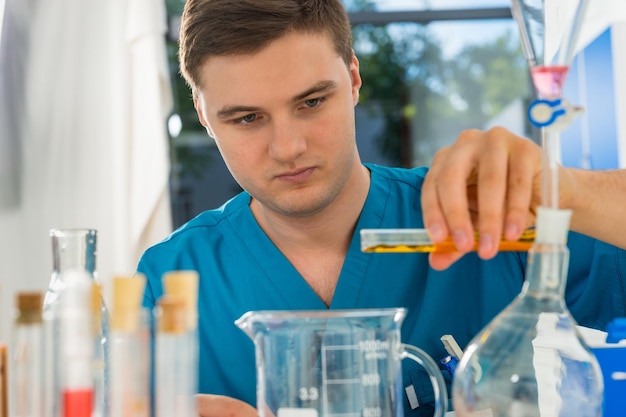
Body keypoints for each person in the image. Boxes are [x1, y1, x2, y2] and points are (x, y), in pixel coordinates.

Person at [137, 1, 626, 416]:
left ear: (352, 78)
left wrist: (570, 194)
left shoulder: (485, 217)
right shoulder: (170, 281)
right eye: (247, 118)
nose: (287, 147)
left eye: (310, 102)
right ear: (204, 115)